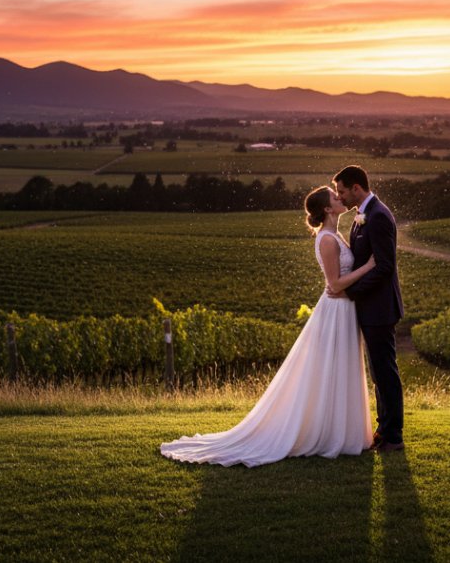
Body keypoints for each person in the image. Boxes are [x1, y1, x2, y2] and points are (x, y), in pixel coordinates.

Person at [159, 186, 375, 467]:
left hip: (343, 308)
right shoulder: (327, 240)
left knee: (338, 368)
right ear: (327, 209)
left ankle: (340, 431)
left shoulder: (334, 235)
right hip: (336, 310)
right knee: (328, 369)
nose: (340, 198)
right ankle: (328, 433)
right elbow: (334, 284)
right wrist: (369, 266)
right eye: (335, 198)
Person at [328, 165, 405, 452]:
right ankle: (384, 430)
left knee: (385, 371)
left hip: (380, 308)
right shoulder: (365, 215)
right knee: (378, 372)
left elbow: (384, 267)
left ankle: (393, 436)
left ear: (357, 187)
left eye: (342, 191)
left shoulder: (379, 216)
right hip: (371, 307)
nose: (341, 197)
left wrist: (349, 291)